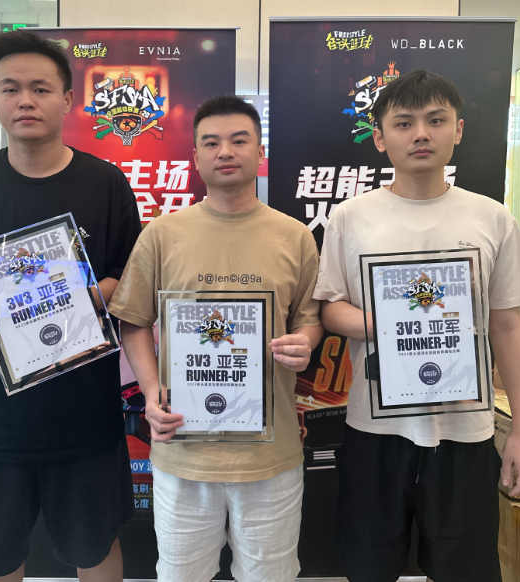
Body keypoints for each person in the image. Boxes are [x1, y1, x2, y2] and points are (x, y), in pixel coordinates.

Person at [0, 30, 140, 581]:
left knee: (94, 548)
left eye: (40, 88)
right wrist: (15, 327)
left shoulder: (105, 182)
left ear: (67, 99)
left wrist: (68, 309)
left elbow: (128, 277)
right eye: (10, 89)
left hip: (84, 412)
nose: (25, 100)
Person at [314, 69, 520, 582]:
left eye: (436, 120)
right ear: (380, 138)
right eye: (404, 123)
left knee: (465, 568)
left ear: (458, 130)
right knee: (369, 565)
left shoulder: (492, 218)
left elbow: (508, 324)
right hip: (375, 427)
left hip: (465, 429)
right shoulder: (351, 216)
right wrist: (392, 323)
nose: (421, 134)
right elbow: (331, 310)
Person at [109, 95, 323, 582]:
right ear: (195, 157)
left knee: (270, 576)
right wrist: (151, 392)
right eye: (211, 142)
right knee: (181, 574)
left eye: (239, 140)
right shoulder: (162, 234)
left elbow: (310, 319)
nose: (225, 151)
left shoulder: (294, 236)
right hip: (183, 452)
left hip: (270, 456)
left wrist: (304, 342)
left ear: (260, 153)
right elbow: (134, 321)